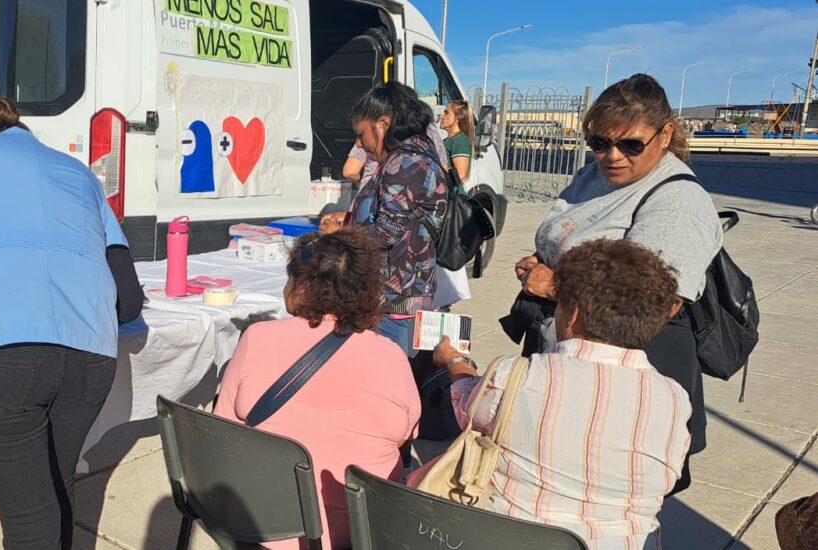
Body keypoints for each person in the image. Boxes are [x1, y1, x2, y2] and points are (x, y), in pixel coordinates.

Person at [0, 97, 144, 549]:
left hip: (0, 354)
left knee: (29, 519)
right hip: (89, 356)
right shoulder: (81, 174)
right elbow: (129, 300)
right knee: (55, 491)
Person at [504, 74, 721, 493]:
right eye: (600, 143)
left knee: (613, 498)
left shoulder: (677, 203)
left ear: (665, 134)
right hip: (569, 351)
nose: (612, 156)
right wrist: (545, 261)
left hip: (628, 377)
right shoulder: (595, 174)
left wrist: (552, 285)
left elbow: (656, 304)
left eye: (631, 144)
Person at [432, 239, 691, 549]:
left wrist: (456, 362)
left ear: (574, 314)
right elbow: (668, 475)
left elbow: (467, 408)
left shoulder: (519, 377)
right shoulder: (673, 399)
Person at [215, 229, 421, 550]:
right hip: (357, 533)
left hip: (264, 527)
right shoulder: (391, 356)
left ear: (299, 285)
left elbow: (223, 427)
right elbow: (408, 433)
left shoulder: (257, 339)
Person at [346, 81, 450, 357]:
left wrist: (343, 241)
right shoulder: (413, 154)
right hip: (400, 293)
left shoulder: (405, 163)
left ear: (384, 123)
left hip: (398, 300)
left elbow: (387, 232)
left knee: (390, 382)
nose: (359, 143)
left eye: (361, 134)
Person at [439, 99, 475, 186]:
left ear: (457, 118)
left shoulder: (460, 141)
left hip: (451, 195)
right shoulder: (447, 140)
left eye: (446, 113)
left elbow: (460, 175)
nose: (441, 116)